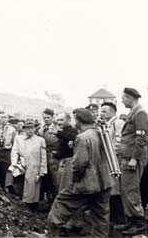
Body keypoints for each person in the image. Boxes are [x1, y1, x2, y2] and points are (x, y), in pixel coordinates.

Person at [48, 108, 111, 238]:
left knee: (61, 203)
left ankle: (50, 234)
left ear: (78, 120)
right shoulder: (100, 133)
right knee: (101, 216)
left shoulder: (82, 138)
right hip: (104, 182)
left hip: (86, 183)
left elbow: (79, 164)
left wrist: (74, 180)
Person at [116, 87, 148, 235]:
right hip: (127, 157)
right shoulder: (134, 112)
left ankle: (138, 223)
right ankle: (130, 220)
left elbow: (141, 138)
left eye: (123, 98)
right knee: (126, 190)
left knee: (131, 190)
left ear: (130, 98)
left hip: (132, 159)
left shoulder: (140, 113)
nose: (122, 100)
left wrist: (134, 159)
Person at [11, 119, 47, 210]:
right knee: (15, 182)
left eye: (32, 128)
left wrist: (42, 172)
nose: (30, 130)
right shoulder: (18, 138)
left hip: (34, 165)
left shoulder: (40, 140)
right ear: (24, 129)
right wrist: (15, 164)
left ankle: (31, 207)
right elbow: (14, 151)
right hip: (21, 164)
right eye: (27, 128)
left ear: (35, 128)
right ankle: (17, 203)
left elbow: (43, 157)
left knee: (32, 189)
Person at [99, 102, 126, 224]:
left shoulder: (118, 123)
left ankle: (118, 216)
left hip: (113, 160)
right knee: (110, 186)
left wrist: (110, 154)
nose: (101, 114)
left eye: (104, 111)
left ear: (113, 112)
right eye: (101, 111)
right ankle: (112, 215)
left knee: (115, 187)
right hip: (108, 160)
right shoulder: (107, 124)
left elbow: (119, 141)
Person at [37, 108, 59, 202]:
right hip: (43, 156)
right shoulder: (41, 129)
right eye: (44, 118)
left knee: (55, 180)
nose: (46, 119)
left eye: (48, 117)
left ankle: (56, 202)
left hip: (53, 157)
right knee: (45, 180)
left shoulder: (57, 128)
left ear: (52, 117)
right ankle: (48, 201)